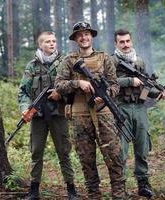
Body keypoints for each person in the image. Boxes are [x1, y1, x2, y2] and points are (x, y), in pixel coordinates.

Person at [54, 22, 126, 200]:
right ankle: (94, 194)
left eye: (86, 34)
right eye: (80, 35)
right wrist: (78, 83)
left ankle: (119, 193)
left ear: (91, 36)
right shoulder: (69, 60)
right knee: (86, 157)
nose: (84, 37)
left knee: (114, 153)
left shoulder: (104, 58)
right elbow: (58, 85)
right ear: (75, 39)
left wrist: (106, 94)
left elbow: (115, 84)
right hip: (80, 114)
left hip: (104, 113)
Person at [18, 31, 78, 200]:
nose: (52, 44)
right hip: (38, 116)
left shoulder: (65, 63)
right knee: (36, 151)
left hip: (58, 114)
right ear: (40, 45)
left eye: (54, 41)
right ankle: (34, 189)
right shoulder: (32, 66)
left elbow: (73, 86)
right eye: (47, 42)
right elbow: (23, 91)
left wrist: (61, 93)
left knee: (64, 151)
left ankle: (71, 188)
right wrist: (25, 108)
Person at [111, 29, 165, 198]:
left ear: (132, 41)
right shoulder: (111, 61)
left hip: (139, 108)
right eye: (121, 42)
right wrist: (129, 80)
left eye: (128, 41)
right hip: (120, 108)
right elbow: (107, 81)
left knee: (142, 148)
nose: (125, 44)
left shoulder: (139, 61)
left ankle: (143, 183)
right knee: (120, 150)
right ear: (116, 44)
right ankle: (119, 186)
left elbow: (143, 86)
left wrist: (158, 94)